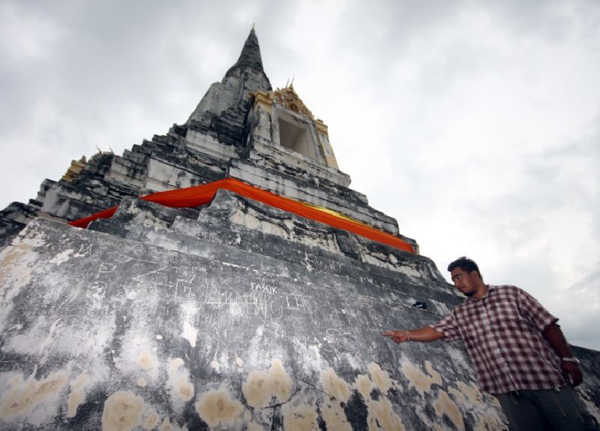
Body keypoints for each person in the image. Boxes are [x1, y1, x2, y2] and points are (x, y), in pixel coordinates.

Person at [383, 256, 590, 431]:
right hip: (510, 394)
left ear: (474, 274)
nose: (456, 284)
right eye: (453, 280)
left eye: (459, 277)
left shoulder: (511, 294)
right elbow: (437, 330)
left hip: (546, 384)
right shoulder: (461, 313)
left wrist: (567, 358)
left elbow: (548, 325)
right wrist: (408, 334)